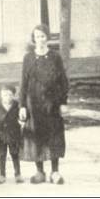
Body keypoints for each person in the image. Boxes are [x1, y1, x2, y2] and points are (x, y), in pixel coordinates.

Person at [19, 24, 69, 185]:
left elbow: (63, 81)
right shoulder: (28, 58)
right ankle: (39, 171)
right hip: (33, 104)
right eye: (36, 36)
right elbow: (23, 83)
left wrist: (63, 102)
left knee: (54, 136)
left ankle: (55, 172)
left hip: (52, 104)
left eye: (42, 36)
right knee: (36, 136)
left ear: (47, 37)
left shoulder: (55, 57)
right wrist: (22, 106)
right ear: (33, 39)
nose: (39, 40)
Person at [0, 84, 23, 184]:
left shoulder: (17, 105)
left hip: (14, 134)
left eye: (10, 95)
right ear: (0, 95)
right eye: (5, 95)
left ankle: (18, 174)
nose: (7, 97)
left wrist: (23, 118)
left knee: (15, 154)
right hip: (0, 134)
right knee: (2, 154)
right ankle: (2, 175)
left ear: (13, 95)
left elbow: (24, 116)